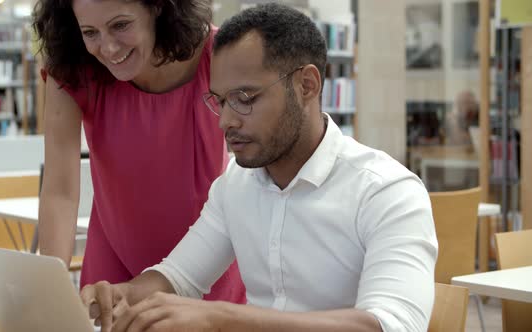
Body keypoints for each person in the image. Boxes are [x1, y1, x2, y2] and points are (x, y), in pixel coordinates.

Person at [81, 3, 438, 332]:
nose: (225, 121)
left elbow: (394, 325)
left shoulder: (388, 192)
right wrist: (121, 294)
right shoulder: (235, 187)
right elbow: (177, 276)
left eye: (245, 99)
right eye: (220, 101)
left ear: (306, 86)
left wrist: (222, 317)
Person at [31, 0, 245, 303]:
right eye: (90, 32)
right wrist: (49, 292)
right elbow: (60, 192)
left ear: (159, 6)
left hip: (208, 262)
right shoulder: (72, 67)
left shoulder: (221, 53)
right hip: (113, 262)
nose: (108, 48)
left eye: (120, 25)